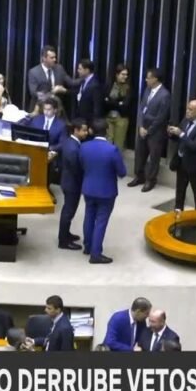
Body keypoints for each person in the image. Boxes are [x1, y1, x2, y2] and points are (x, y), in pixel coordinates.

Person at [80, 119, 126, 264]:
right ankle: (96, 254)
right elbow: (122, 172)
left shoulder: (84, 147)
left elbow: (82, 165)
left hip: (88, 188)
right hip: (106, 191)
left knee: (89, 216)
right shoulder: (112, 150)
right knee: (101, 221)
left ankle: (88, 246)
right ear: (107, 131)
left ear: (91, 131)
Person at [129, 67, 171, 192]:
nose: (146, 80)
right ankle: (139, 176)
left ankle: (150, 180)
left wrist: (149, 130)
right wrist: (140, 126)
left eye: (148, 78)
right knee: (139, 153)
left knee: (154, 156)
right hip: (143, 128)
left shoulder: (165, 95)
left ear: (155, 79)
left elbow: (161, 117)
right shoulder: (147, 90)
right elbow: (141, 108)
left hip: (155, 132)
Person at [168, 99, 196, 211]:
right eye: (187, 108)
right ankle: (178, 211)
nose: (187, 111)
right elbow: (179, 138)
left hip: (194, 164)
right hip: (181, 161)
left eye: (190, 110)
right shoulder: (186, 120)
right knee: (180, 189)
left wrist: (181, 134)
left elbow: (194, 146)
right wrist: (172, 134)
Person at [58, 119, 89, 250]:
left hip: (68, 181)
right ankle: (63, 241)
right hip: (72, 184)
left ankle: (66, 234)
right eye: (84, 130)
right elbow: (77, 169)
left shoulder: (70, 142)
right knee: (68, 212)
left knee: (68, 210)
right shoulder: (73, 148)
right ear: (76, 130)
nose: (86, 133)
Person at [26, 45, 76, 110]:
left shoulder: (59, 68)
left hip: (56, 109)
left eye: (55, 57)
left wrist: (86, 77)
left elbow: (71, 82)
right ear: (44, 58)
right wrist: (53, 92)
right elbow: (34, 93)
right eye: (52, 58)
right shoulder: (34, 72)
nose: (55, 59)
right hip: (39, 109)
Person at [105, 64, 132, 150]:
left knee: (118, 144)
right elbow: (105, 102)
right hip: (108, 117)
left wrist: (111, 101)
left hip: (121, 118)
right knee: (107, 142)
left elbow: (125, 105)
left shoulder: (128, 88)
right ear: (117, 74)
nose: (125, 76)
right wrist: (119, 102)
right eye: (123, 74)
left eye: (126, 74)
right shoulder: (109, 85)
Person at [74, 59, 103, 123]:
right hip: (81, 118)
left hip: (89, 121)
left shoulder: (95, 85)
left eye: (80, 69)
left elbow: (97, 107)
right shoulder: (83, 81)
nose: (78, 71)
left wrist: (93, 124)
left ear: (87, 70)